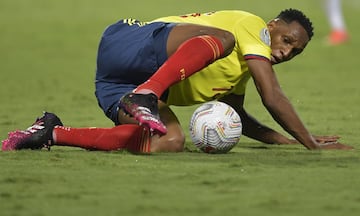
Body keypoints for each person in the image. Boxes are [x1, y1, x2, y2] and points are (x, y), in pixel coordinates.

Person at [1, 9, 353, 153]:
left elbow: (241, 118)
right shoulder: (251, 27)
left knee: (170, 140)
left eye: (296, 52)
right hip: (132, 42)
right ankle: (147, 94)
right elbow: (272, 95)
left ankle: (50, 132)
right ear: (273, 25)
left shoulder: (243, 69)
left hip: (115, 84)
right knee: (224, 39)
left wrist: (285, 142)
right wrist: (309, 142)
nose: (287, 51)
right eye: (287, 41)